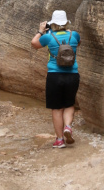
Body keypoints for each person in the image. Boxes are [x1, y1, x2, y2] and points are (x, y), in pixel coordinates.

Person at [31, 10, 81, 149]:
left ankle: (59, 140)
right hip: (73, 75)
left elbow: (34, 43)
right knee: (69, 104)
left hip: (54, 75)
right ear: (66, 22)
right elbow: (78, 44)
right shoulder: (74, 35)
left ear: (52, 23)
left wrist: (41, 31)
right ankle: (68, 127)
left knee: (57, 108)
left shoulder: (48, 37)